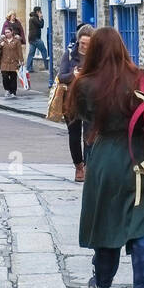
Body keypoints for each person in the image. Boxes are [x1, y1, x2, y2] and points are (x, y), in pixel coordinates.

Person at [70, 26, 144, 288]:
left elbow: (80, 117)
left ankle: (103, 284)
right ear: (123, 48)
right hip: (141, 159)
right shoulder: (143, 78)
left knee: (107, 222)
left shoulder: (85, 84)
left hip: (104, 160)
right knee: (143, 224)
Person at [58, 23, 95, 182]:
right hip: (71, 101)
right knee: (74, 135)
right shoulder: (69, 55)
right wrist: (73, 74)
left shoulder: (96, 56)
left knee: (89, 135)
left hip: (90, 101)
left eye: (88, 44)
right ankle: (78, 166)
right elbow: (61, 77)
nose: (84, 46)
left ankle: (88, 166)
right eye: (82, 43)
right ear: (78, 41)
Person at [0, 26, 24, 97]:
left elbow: (19, 51)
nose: (6, 34)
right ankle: (7, 89)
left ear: (12, 32)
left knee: (13, 78)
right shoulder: (2, 40)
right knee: (5, 77)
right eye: (5, 33)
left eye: (8, 32)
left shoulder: (16, 40)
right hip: (4, 62)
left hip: (14, 62)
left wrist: (21, 60)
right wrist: (0, 45)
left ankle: (13, 92)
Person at [26, 6, 48, 71]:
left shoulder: (32, 18)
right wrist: (41, 18)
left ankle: (29, 68)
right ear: (37, 12)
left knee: (31, 53)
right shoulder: (34, 18)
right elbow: (41, 25)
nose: (41, 13)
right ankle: (47, 66)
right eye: (40, 12)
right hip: (35, 38)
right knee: (44, 51)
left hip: (32, 39)